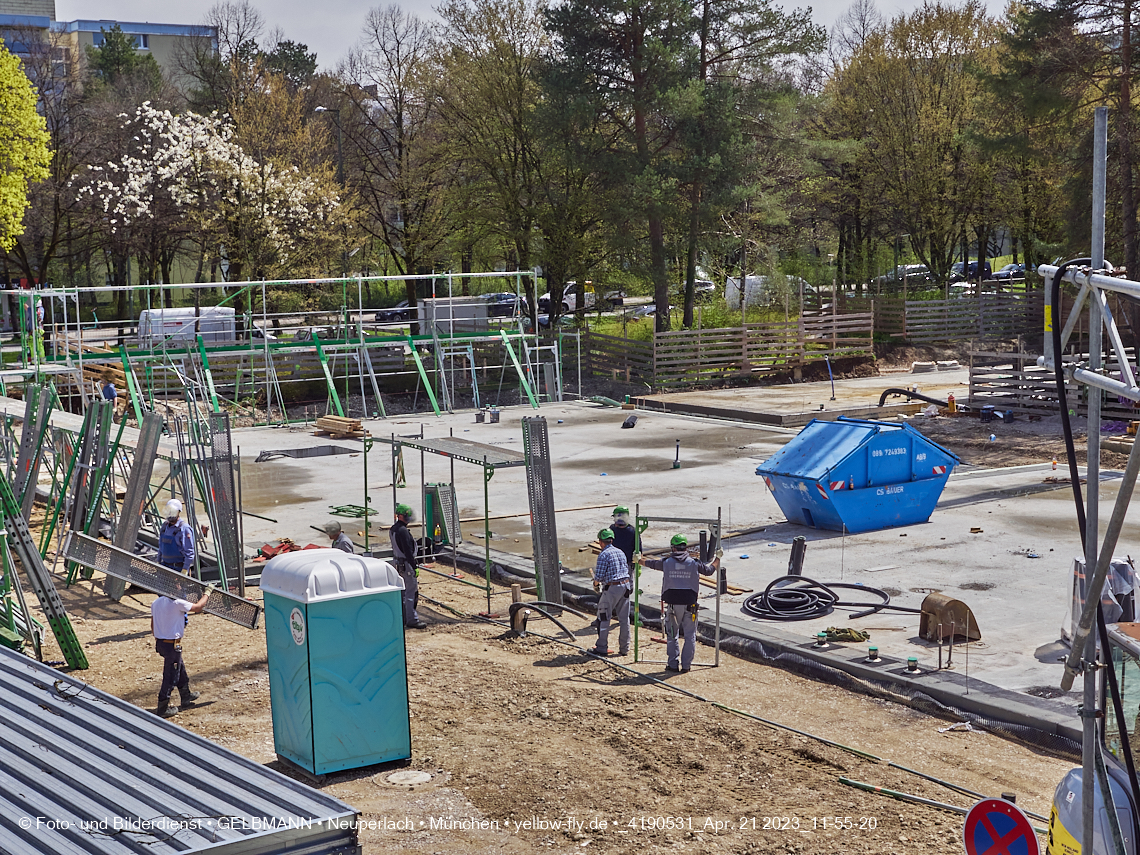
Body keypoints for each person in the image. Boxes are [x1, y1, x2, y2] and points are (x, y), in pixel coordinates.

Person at [635, 534, 721, 673]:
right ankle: (686, 666)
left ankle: (673, 664)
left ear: (673, 548)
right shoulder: (694, 563)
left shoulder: (666, 562)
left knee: (672, 636)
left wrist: (639, 560)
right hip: (690, 606)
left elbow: (650, 564)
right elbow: (709, 571)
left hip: (673, 606)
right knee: (690, 636)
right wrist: (718, 558)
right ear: (685, 547)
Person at [151, 584, 210, 718]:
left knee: (179, 668)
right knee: (171, 675)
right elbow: (198, 607)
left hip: (161, 643)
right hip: (171, 645)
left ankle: (186, 695)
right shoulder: (177, 603)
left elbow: (153, 625)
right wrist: (207, 593)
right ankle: (163, 707)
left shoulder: (156, 603)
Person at [591, 528, 631, 656]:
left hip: (612, 588)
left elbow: (599, 577)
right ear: (612, 540)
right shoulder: (620, 552)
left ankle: (601, 647)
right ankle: (625, 648)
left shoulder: (604, 555)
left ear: (600, 541)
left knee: (604, 617)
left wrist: (595, 585)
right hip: (626, 586)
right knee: (624, 619)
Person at [389, 503, 426, 629]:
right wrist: (414, 566)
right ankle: (412, 619)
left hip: (398, 563)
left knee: (403, 592)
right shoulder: (403, 531)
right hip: (406, 565)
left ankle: (403, 617)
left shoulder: (393, 529)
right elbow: (408, 551)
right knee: (411, 593)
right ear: (400, 516)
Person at [158, 499, 196, 573]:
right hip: (164, 566)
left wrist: (185, 569)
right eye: (168, 511)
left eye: (172, 511)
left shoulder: (184, 529)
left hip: (178, 568)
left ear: (178, 512)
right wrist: (158, 561)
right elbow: (160, 547)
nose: (170, 514)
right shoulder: (164, 526)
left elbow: (189, 552)